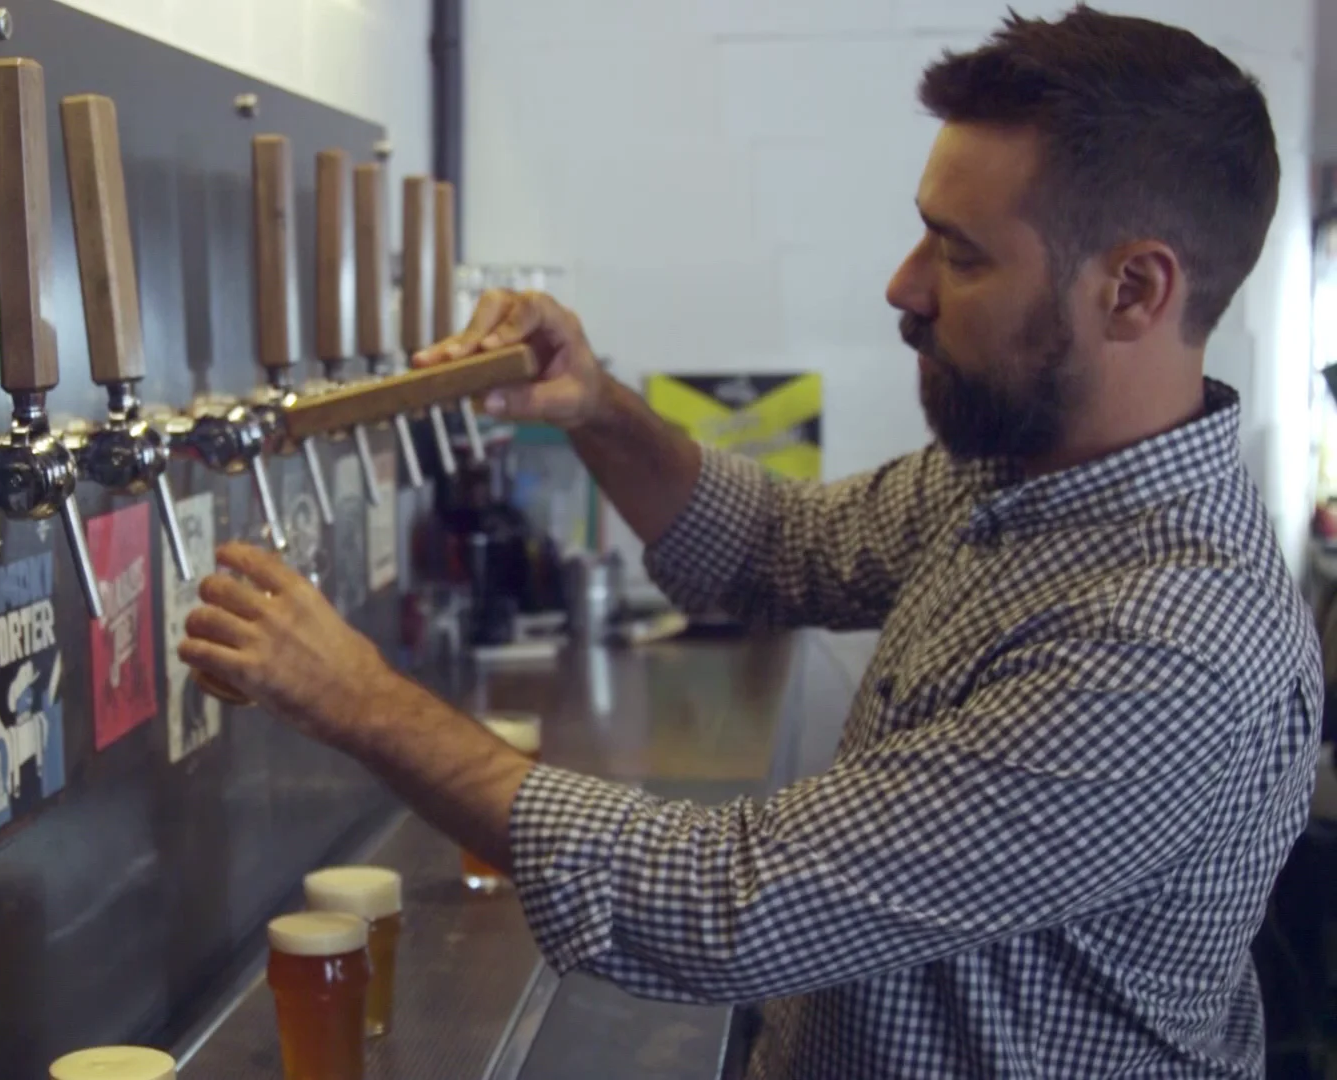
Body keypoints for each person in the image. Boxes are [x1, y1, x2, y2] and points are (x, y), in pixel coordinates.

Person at [178, 7, 1323, 1076]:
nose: (904, 286)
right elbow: (773, 543)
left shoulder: (1171, 641)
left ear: (1134, 289)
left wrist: (358, 700)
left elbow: (732, 904)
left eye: (961, 254)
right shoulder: (1016, 477)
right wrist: (596, 403)